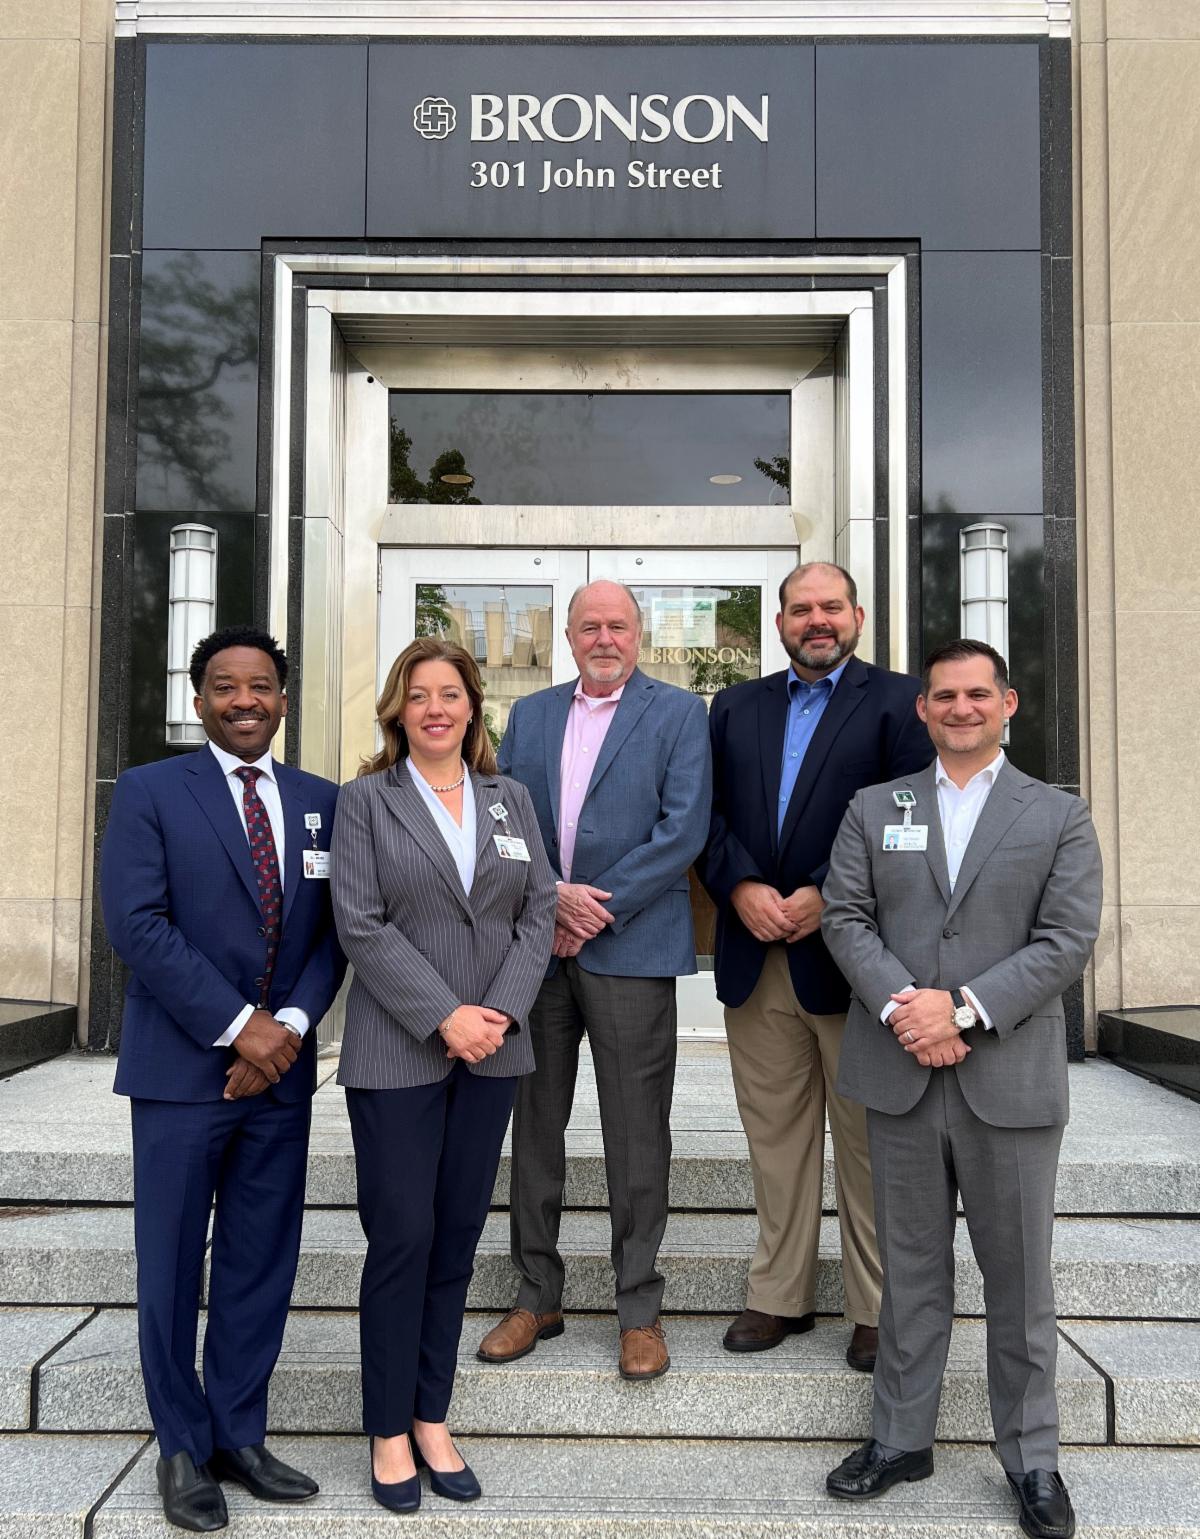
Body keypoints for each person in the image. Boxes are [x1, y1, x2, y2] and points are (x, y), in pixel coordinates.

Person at [821, 639, 1102, 1539]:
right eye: (944, 694)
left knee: (1018, 1280)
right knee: (909, 1272)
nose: (961, 707)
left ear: (1007, 703)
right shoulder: (877, 806)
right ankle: (901, 1438)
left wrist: (965, 1010)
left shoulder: (1057, 813)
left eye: (978, 693)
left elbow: (1067, 939)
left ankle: (1032, 1457)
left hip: (1008, 1079)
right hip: (900, 1069)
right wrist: (909, 1008)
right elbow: (845, 916)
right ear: (923, 708)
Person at [100, 625, 345, 1533]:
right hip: (179, 1072)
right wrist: (243, 1028)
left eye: (262, 684)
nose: (246, 699)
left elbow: (337, 932)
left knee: (259, 1260)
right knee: (170, 1263)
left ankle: (239, 1431)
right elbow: (137, 924)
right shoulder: (150, 791)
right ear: (199, 699)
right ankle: (180, 1445)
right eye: (226, 685)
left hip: (279, 1078)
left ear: (283, 697)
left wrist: (288, 1032)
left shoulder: (322, 802)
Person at [330, 637, 556, 1513]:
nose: (435, 708)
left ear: (472, 707)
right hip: (399, 1051)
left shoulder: (510, 798)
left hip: (494, 1048)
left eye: (450, 693)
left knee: (457, 1235)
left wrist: (496, 1011)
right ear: (399, 708)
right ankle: (387, 1427)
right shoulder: (366, 801)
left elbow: (538, 909)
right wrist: (444, 1015)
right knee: (403, 1236)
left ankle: (432, 1415)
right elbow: (360, 921)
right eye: (419, 693)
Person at [697, 562, 933, 1370]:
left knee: (867, 1141)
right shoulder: (735, 706)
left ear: (857, 616)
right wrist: (740, 886)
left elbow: (910, 815)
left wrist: (828, 895)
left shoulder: (901, 702)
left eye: (832, 606)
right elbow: (706, 815)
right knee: (775, 1137)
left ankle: (875, 1306)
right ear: (780, 622)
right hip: (756, 953)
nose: (817, 620)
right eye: (801, 608)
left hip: (855, 963)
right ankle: (779, 1293)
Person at [476, 580, 711, 1381]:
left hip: (631, 946)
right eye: (588, 626)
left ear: (638, 633)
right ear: (569, 637)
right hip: (536, 952)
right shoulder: (530, 715)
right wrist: (552, 899)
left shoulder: (679, 714)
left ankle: (639, 1307)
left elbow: (683, 829)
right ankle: (536, 1294)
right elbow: (504, 817)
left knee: (637, 1132)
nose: (603, 637)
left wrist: (594, 907)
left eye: (617, 625)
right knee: (534, 1127)